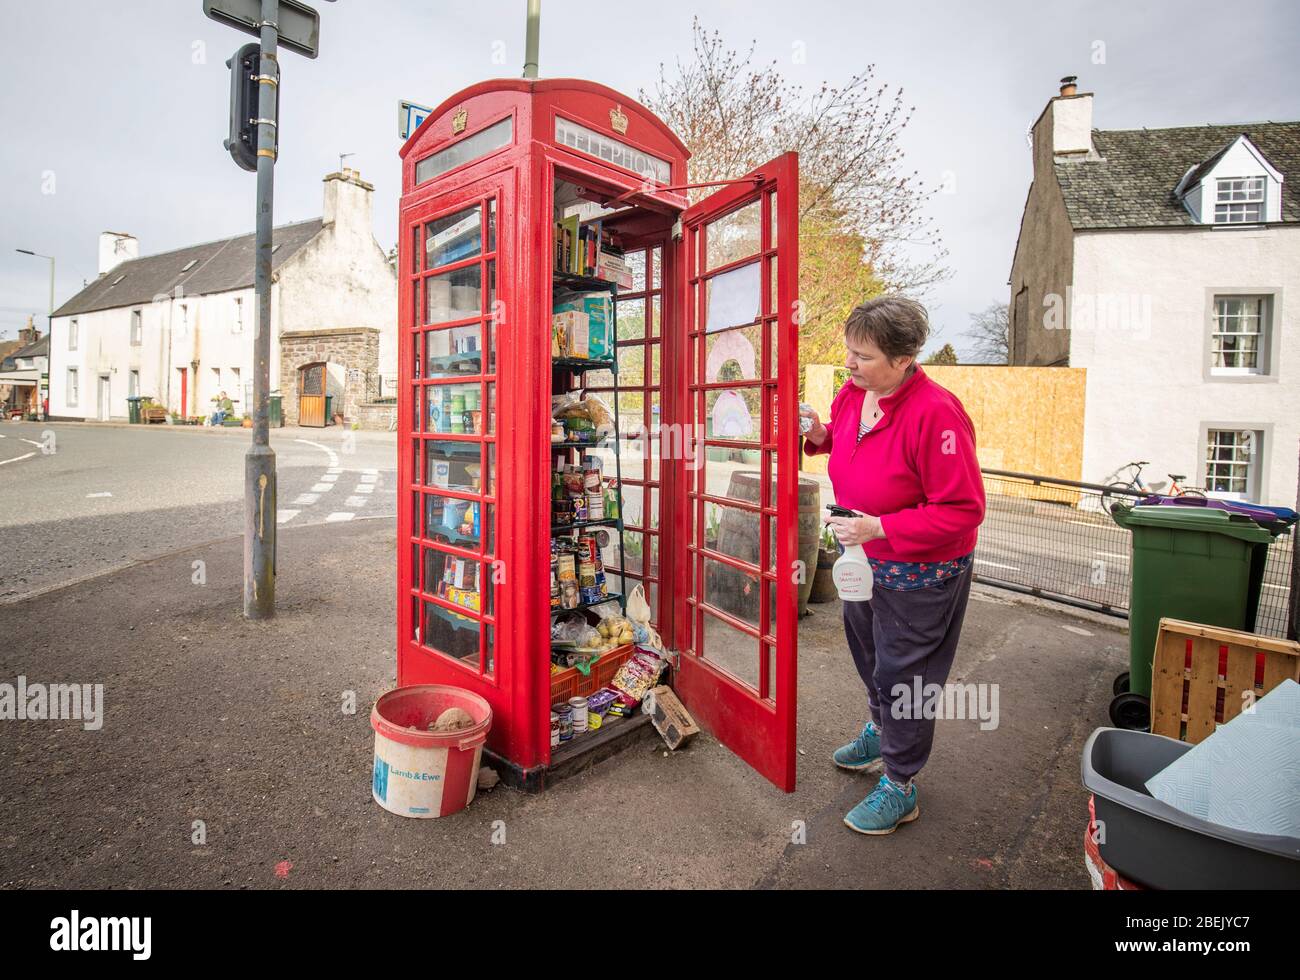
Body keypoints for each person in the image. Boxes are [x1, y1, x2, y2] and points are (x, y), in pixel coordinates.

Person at [801, 296, 985, 836]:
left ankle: (901, 782)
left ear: (904, 359)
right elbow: (845, 439)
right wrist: (818, 435)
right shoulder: (857, 393)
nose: (850, 365)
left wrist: (880, 526)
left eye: (863, 356)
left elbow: (963, 509)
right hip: (863, 559)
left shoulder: (938, 413)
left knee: (906, 674)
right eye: (849, 353)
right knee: (869, 653)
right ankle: (880, 730)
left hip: (920, 570)